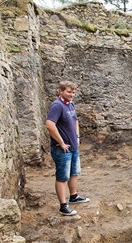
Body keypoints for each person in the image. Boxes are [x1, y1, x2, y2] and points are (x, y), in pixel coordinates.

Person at [45, 81, 90, 216]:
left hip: (73, 146)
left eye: (73, 92)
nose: (71, 94)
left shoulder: (70, 104)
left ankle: (74, 196)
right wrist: (62, 142)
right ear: (60, 91)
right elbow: (49, 124)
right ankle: (63, 206)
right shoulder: (57, 106)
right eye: (69, 92)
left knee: (74, 172)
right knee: (62, 177)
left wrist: (76, 137)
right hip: (62, 149)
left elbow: (75, 120)